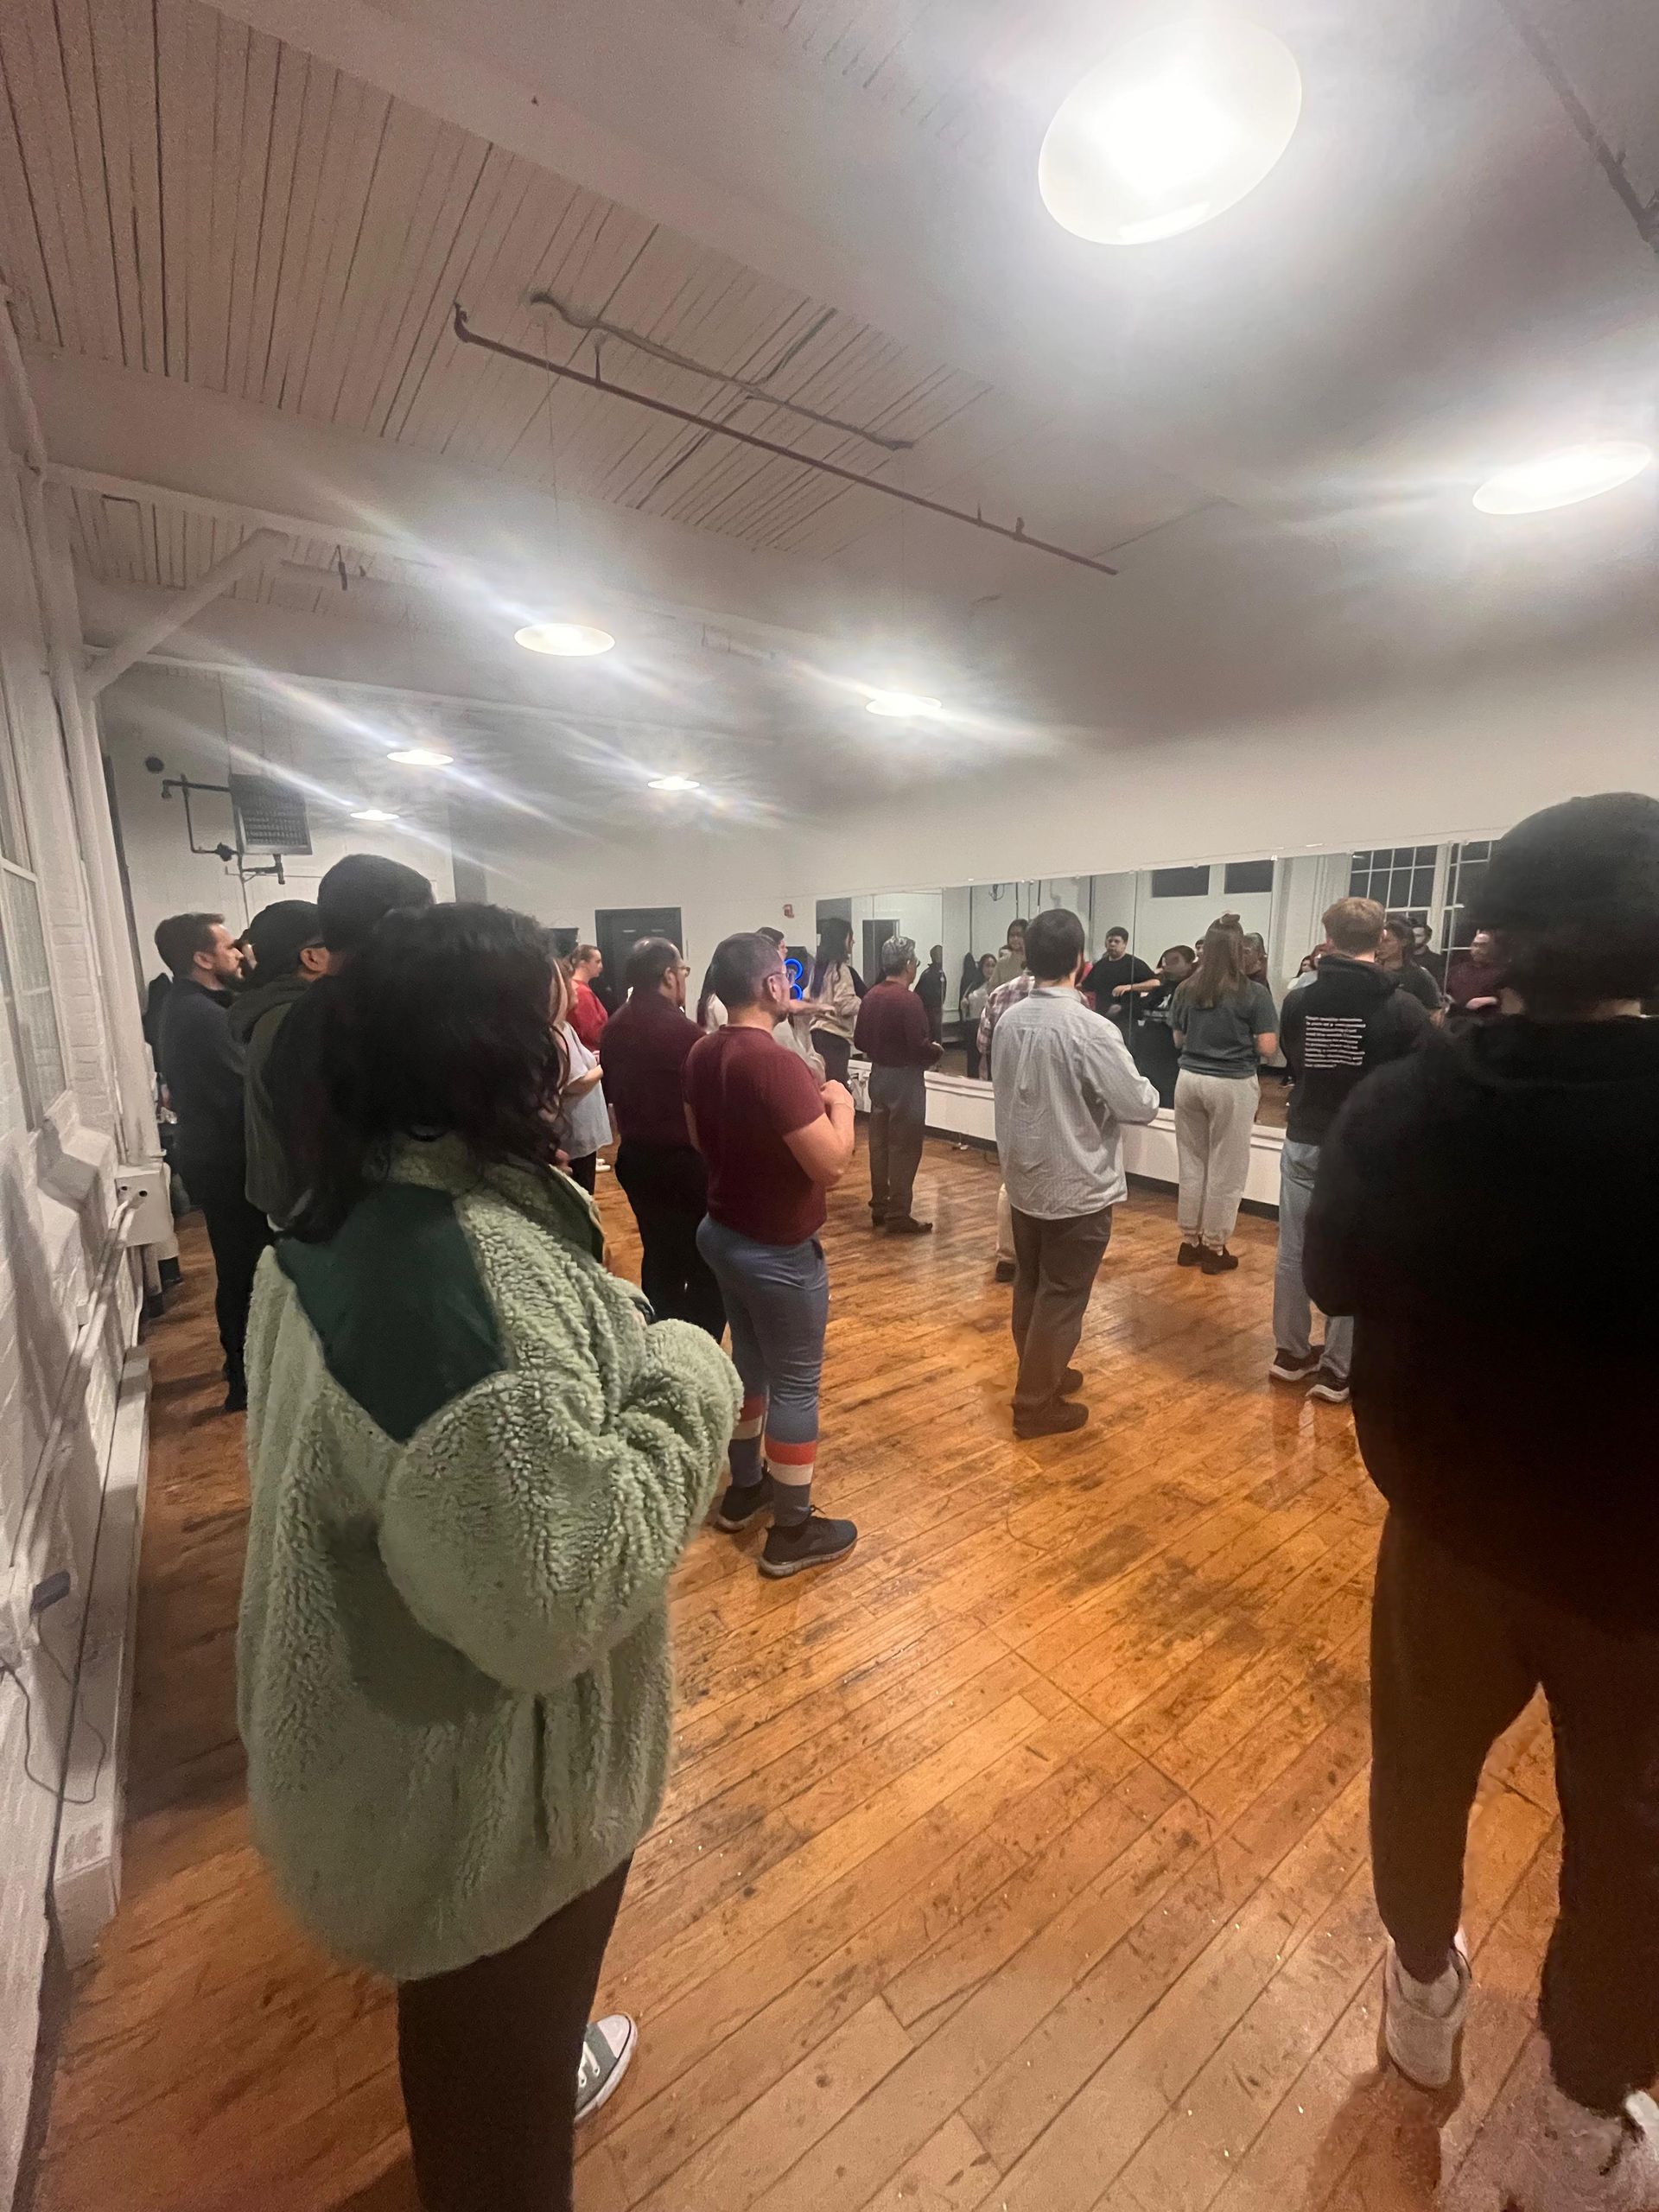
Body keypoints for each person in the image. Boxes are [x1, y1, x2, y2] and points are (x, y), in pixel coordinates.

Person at [238, 902, 738, 2212]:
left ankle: (531, 2065)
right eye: (550, 1018)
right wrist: (687, 1365)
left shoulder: (337, 1215)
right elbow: (553, 1595)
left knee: (475, 2032)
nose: (575, 1048)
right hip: (486, 1800)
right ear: (492, 1055)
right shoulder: (462, 1290)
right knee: (496, 2124)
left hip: (400, 1750)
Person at [1305, 793, 1659, 2212]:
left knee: (1422, 1768)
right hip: (1638, 1570)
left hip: (1447, 1526)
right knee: (1633, 1840)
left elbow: (1333, 1282)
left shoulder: (1407, 1100)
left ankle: (1418, 1994)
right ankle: (1580, 2128)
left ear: (1496, 935)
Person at [684, 932, 857, 1578]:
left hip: (723, 1233)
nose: (792, 984)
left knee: (751, 1364)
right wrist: (839, 1103)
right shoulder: (774, 1062)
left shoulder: (702, 1051)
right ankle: (792, 1529)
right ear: (769, 988)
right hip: (777, 1250)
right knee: (794, 1383)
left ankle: (746, 1487)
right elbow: (834, 1164)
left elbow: (702, 1139)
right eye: (785, 975)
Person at [991, 910, 1159, 1439]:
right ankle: (1035, 1403)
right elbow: (1139, 1105)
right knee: (1062, 1295)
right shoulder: (1091, 1029)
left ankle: (1045, 1370)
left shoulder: (1010, 1019)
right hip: (1077, 1183)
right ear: (1081, 963)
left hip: (1025, 1177)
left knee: (1033, 1284)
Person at [1268, 897, 1427, 1404]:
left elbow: (1294, 1060)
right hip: (1365, 1144)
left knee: (1294, 1248)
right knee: (1353, 1250)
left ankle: (1290, 1353)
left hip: (1307, 1134)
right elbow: (1421, 1077)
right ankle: (1338, 1369)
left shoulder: (1299, 999)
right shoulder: (1402, 1006)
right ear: (1382, 937)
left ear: (1329, 936)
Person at [265, 853, 434, 1206]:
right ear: (394, 926)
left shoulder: (305, 1013)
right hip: (385, 1219)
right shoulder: (372, 1015)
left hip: (335, 1211)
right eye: (426, 923)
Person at [153, 912, 269, 1411]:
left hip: (215, 1155)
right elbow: (247, 1090)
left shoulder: (194, 1004)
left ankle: (241, 1369)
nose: (238, 953)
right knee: (245, 1268)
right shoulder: (201, 1016)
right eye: (227, 947)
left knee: (241, 1264)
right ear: (202, 958)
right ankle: (245, 1382)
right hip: (228, 1161)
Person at [599, 938, 725, 1338]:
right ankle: (697, 1346)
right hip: (684, 1164)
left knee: (659, 1256)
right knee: (707, 1261)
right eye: (683, 971)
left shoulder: (614, 1026)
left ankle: (660, 1340)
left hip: (635, 1158)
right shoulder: (687, 1034)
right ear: (669, 976)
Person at [1169, 919, 1278, 1274]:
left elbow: (1178, 1040)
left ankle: (1189, 1241)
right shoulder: (1254, 993)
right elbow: (1267, 1046)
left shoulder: (1186, 988)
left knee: (1192, 1164)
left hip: (1188, 1080)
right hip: (1232, 1082)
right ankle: (1215, 1248)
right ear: (1238, 950)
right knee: (1226, 1169)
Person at [229, 899, 327, 1227]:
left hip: (289, 1195)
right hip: (306, 1202)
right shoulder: (298, 1018)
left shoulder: (275, 1010)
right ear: (312, 957)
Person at [853, 935, 941, 1236]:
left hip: (878, 1076)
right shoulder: (909, 1000)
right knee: (904, 1147)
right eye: (915, 962)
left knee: (879, 1145)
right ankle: (899, 1213)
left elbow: (860, 1041)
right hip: (906, 1078)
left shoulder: (871, 996)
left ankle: (880, 1205)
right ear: (907, 965)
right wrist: (935, 1051)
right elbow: (919, 1047)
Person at [977, 957, 1041, 1283]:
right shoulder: (1072, 1005)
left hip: (1008, 1091)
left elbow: (982, 1043)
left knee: (1011, 1178)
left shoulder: (1000, 993)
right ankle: (1041, 1257)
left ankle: (1007, 1256)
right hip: (1046, 1095)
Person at [553, 962, 611, 1193]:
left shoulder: (564, 1027)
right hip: (573, 1135)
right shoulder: (558, 1031)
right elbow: (576, 1083)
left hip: (578, 1136)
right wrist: (607, 1063)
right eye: (567, 983)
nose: (574, 987)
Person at [1132, 944, 1195, 1109]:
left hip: (1173, 1061)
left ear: (1189, 964)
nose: (1168, 965)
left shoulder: (1192, 991)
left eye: (1175, 961)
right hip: (1149, 1058)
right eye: (1166, 961)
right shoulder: (1157, 992)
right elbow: (1141, 1011)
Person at [807, 918, 861, 1086]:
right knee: (836, 1088)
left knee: (823, 1084)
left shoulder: (819, 968)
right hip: (835, 1039)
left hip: (817, 1035)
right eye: (850, 936)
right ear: (842, 939)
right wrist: (865, 1003)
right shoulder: (840, 970)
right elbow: (845, 1005)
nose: (853, 941)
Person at [1084, 926, 1154, 1042]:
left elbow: (1155, 983)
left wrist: (1129, 987)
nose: (1112, 944)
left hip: (1126, 1021)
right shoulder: (1100, 965)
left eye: (1116, 941)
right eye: (1109, 941)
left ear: (1124, 944)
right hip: (1102, 1020)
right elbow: (1087, 987)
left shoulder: (1134, 964)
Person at [1379, 912, 1445, 1015]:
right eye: (1380, 940)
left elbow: (1434, 1013)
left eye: (1387, 941)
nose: (1381, 946)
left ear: (1404, 942)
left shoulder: (1420, 975)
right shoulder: (1373, 971)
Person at [1446, 926, 1505, 1019]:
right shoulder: (1457, 970)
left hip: (1486, 1023)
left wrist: (1491, 1000)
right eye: (1475, 945)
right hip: (1456, 1022)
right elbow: (1443, 992)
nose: (1477, 949)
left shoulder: (1501, 972)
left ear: (1492, 948)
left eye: (1483, 945)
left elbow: (1510, 1003)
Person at [564, 945, 608, 1051]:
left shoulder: (574, 986)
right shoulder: (582, 992)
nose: (601, 966)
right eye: (597, 962)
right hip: (590, 1051)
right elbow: (592, 1031)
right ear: (583, 964)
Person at [962, 952, 996, 1080]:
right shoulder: (974, 984)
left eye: (993, 966)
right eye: (987, 966)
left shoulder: (998, 986)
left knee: (990, 1062)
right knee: (973, 1062)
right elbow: (965, 1001)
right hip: (973, 1025)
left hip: (991, 1026)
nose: (990, 969)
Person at [915, 944, 947, 1046]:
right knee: (934, 1035)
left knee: (934, 1034)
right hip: (931, 1010)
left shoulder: (927, 973)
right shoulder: (931, 974)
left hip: (934, 1009)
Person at [991, 918, 1028, 988]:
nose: (1015, 939)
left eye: (1019, 935)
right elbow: (992, 989)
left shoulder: (1034, 962)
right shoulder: (1002, 963)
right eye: (1012, 935)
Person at [1411, 919, 1448, 988]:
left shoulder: (1437, 960)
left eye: (1418, 936)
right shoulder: (1403, 957)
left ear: (1428, 938)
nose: (1413, 939)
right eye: (1412, 936)